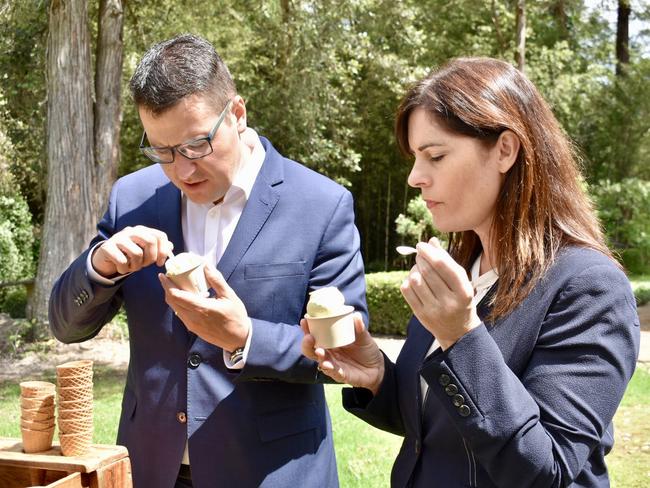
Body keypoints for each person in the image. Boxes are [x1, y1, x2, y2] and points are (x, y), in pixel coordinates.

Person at [302, 57, 640, 487]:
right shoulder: (463, 271)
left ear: (505, 150)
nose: (415, 177)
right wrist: (379, 377)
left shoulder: (589, 288)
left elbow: (547, 470)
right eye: (415, 157)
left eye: (435, 155)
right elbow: (439, 430)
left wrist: (461, 336)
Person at [49, 33, 367, 488]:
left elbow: (344, 352)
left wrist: (244, 337)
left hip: (270, 474)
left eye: (196, 145)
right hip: (151, 469)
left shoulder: (321, 205)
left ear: (237, 114)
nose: (182, 170)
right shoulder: (132, 198)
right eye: (162, 151)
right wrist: (99, 265)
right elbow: (65, 326)